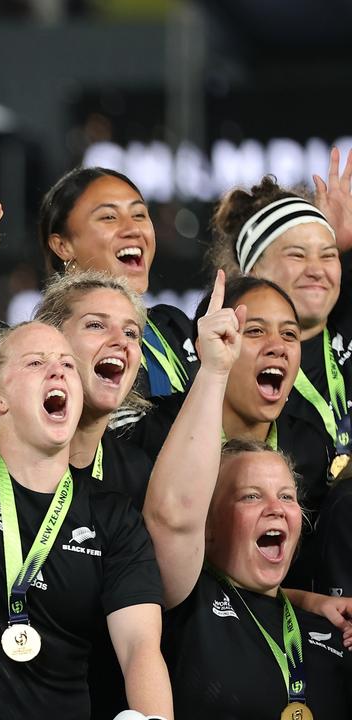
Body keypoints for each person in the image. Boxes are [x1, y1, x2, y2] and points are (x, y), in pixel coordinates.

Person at [0, 192, 172, 719]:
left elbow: (142, 647)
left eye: (68, 366)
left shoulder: (112, 517)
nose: (59, 372)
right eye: (36, 362)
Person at [143, 286, 352, 715]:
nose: (275, 507)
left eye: (287, 496)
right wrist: (214, 371)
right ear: (208, 523)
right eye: (250, 496)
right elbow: (172, 521)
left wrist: (308, 601)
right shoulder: (181, 608)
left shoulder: (329, 630)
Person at [126, 276, 330, 586]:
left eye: (289, 334)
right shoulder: (153, 435)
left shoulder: (310, 449)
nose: (278, 347)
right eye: (255, 331)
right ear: (207, 343)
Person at [209, 173, 352, 485]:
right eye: (297, 255)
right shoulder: (232, 369)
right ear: (254, 271)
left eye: (328, 256)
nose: (317, 270)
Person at [39, 167, 197, 400]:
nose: (133, 229)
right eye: (109, 217)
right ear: (63, 246)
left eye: (139, 215)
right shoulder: (49, 348)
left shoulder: (173, 328)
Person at [33, 272, 153, 508]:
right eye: (96, 325)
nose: (121, 341)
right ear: (49, 338)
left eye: (131, 333)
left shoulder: (137, 474)